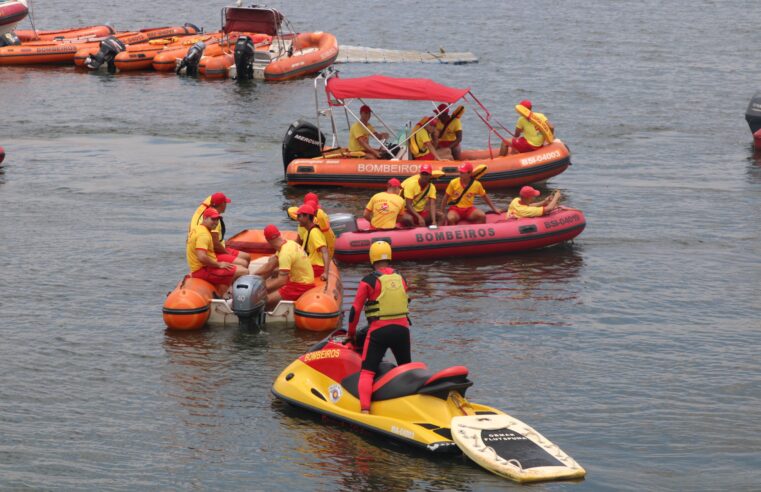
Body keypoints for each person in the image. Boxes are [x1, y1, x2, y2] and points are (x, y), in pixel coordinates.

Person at [347, 240, 411, 414]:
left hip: (379, 331)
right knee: (405, 368)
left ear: (372, 258)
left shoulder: (368, 281)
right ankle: (410, 404)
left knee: (367, 372)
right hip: (402, 331)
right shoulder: (401, 278)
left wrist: (351, 333)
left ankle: (365, 411)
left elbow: (355, 310)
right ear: (389, 257)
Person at [253, 224, 316, 310]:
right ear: (279, 235)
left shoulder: (285, 254)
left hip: (300, 285)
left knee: (262, 301)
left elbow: (282, 281)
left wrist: (259, 289)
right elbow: (270, 265)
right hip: (302, 279)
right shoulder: (288, 243)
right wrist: (253, 275)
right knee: (274, 270)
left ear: (268, 240)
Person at [186, 207, 248, 288]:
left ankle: (225, 289)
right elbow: (201, 257)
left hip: (202, 267)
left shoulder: (197, 229)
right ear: (205, 218)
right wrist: (219, 265)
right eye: (213, 219)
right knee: (244, 271)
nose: (215, 222)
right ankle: (234, 295)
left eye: (217, 220)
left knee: (239, 267)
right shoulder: (203, 235)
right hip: (203, 270)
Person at [188, 192, 250, 268]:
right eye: (225, 203)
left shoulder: (209, 215)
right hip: (214, 252)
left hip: (219, 248)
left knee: (247, 257)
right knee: (243, 263)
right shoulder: (213, 220)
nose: (226, 205)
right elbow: (216, 245)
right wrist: (227, 253)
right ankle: (234, 276)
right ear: (222, 204)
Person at [295, 203, 331, 281]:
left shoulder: (314, 232)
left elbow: (325, 251)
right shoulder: (308, 231)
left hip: (316, 267)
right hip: (310, 266)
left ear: (307, 216)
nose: (297, 219)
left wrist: (326, 273)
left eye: (299, 216)